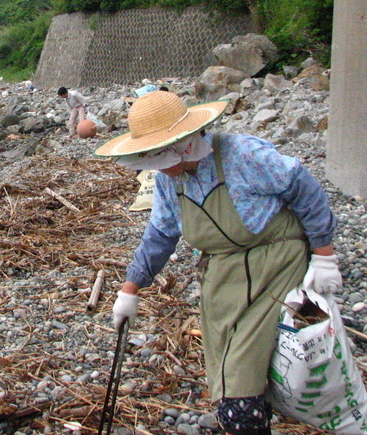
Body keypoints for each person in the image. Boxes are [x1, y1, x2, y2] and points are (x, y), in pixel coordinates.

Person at [94, 90, 344, 435]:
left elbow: (303, 188)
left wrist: (324, 253)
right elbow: (162, 233)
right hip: (221, 278)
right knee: (229, 369)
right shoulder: (171, 179)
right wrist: (131, 287)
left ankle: (246, 418)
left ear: (185, 144)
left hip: (275, 264)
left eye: (160, 155)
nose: (159, 168)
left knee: (241, 387)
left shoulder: (242, 155)